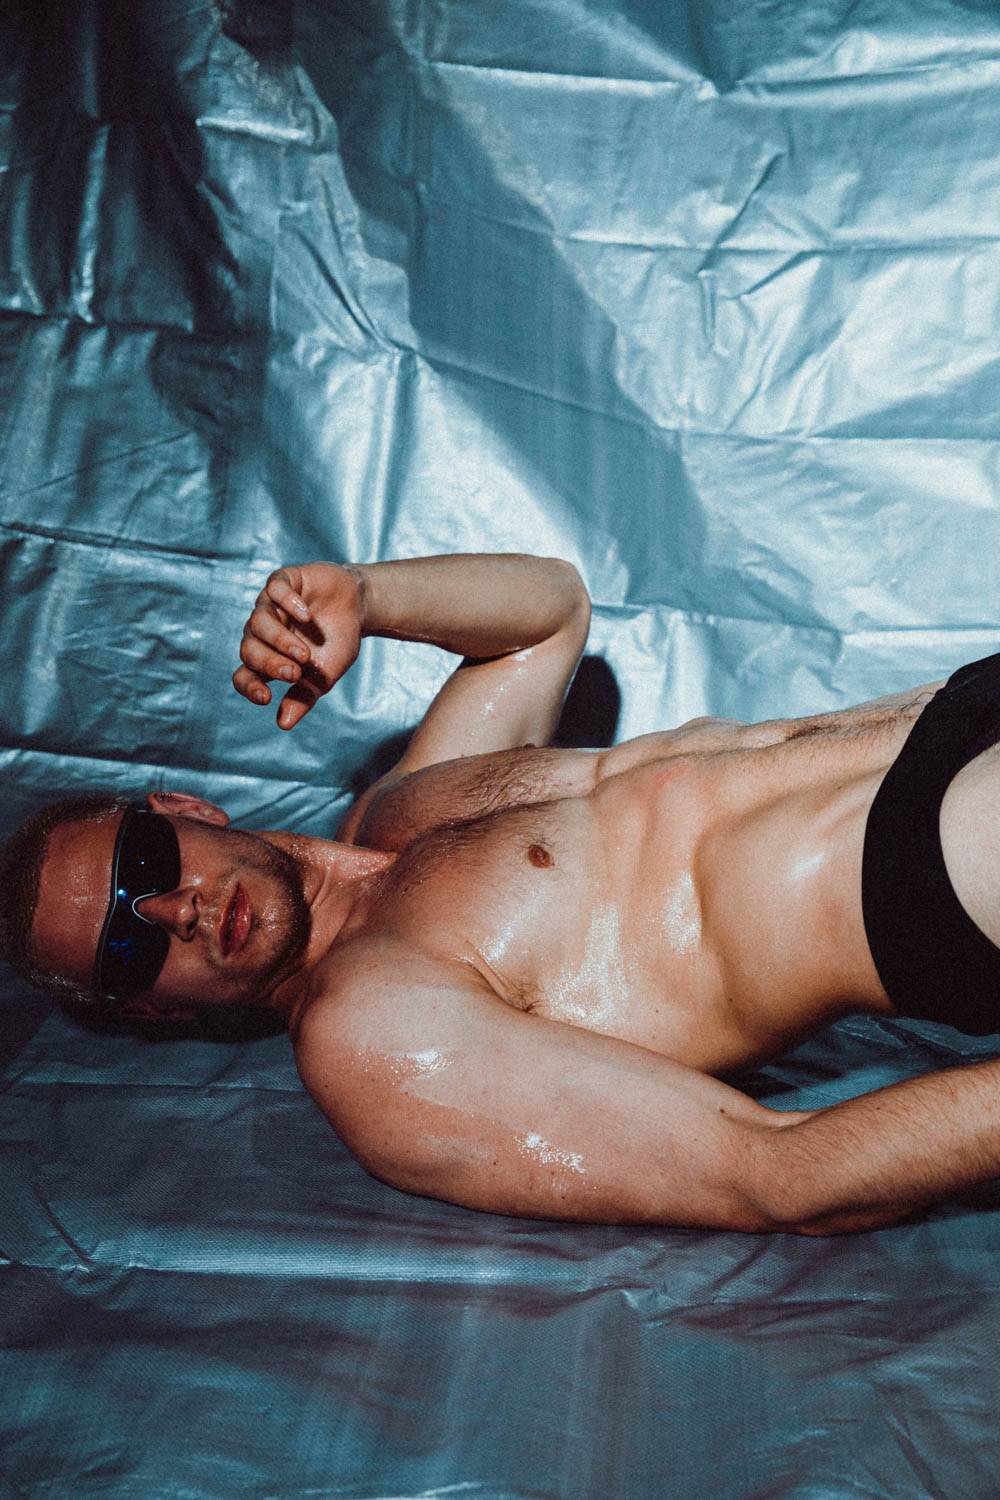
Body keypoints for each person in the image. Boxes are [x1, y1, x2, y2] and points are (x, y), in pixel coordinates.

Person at [5, 553, 1000, 1237]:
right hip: (935, 867)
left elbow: (549, 613)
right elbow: (775, 1175)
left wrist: (365, 592)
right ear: (149, 1010)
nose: (171, 912)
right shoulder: (369, 1035)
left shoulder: (398, 809)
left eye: (145, 867)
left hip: (954, 710)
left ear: (182, 810)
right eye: (128, 946)